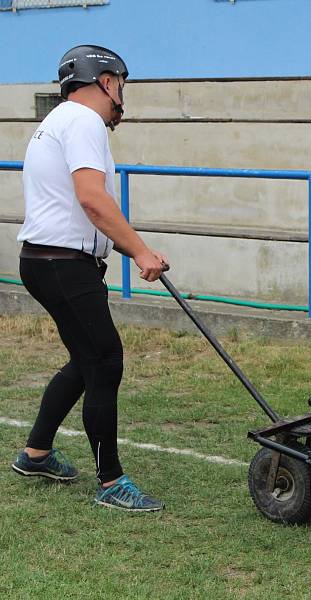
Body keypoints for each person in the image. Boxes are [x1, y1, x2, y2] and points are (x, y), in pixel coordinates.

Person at [11, 45, 169, 512]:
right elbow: (92, 200)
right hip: (63, 264)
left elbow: (82, 208)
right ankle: (111, 481)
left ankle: (36, 453)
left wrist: (134, 248)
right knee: (104, 360)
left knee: (86, 360)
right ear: (105, 81)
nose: (122, 94)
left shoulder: (56, 121)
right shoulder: (83, 121)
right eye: (120, 83)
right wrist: (139, 250)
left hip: (48, 260)